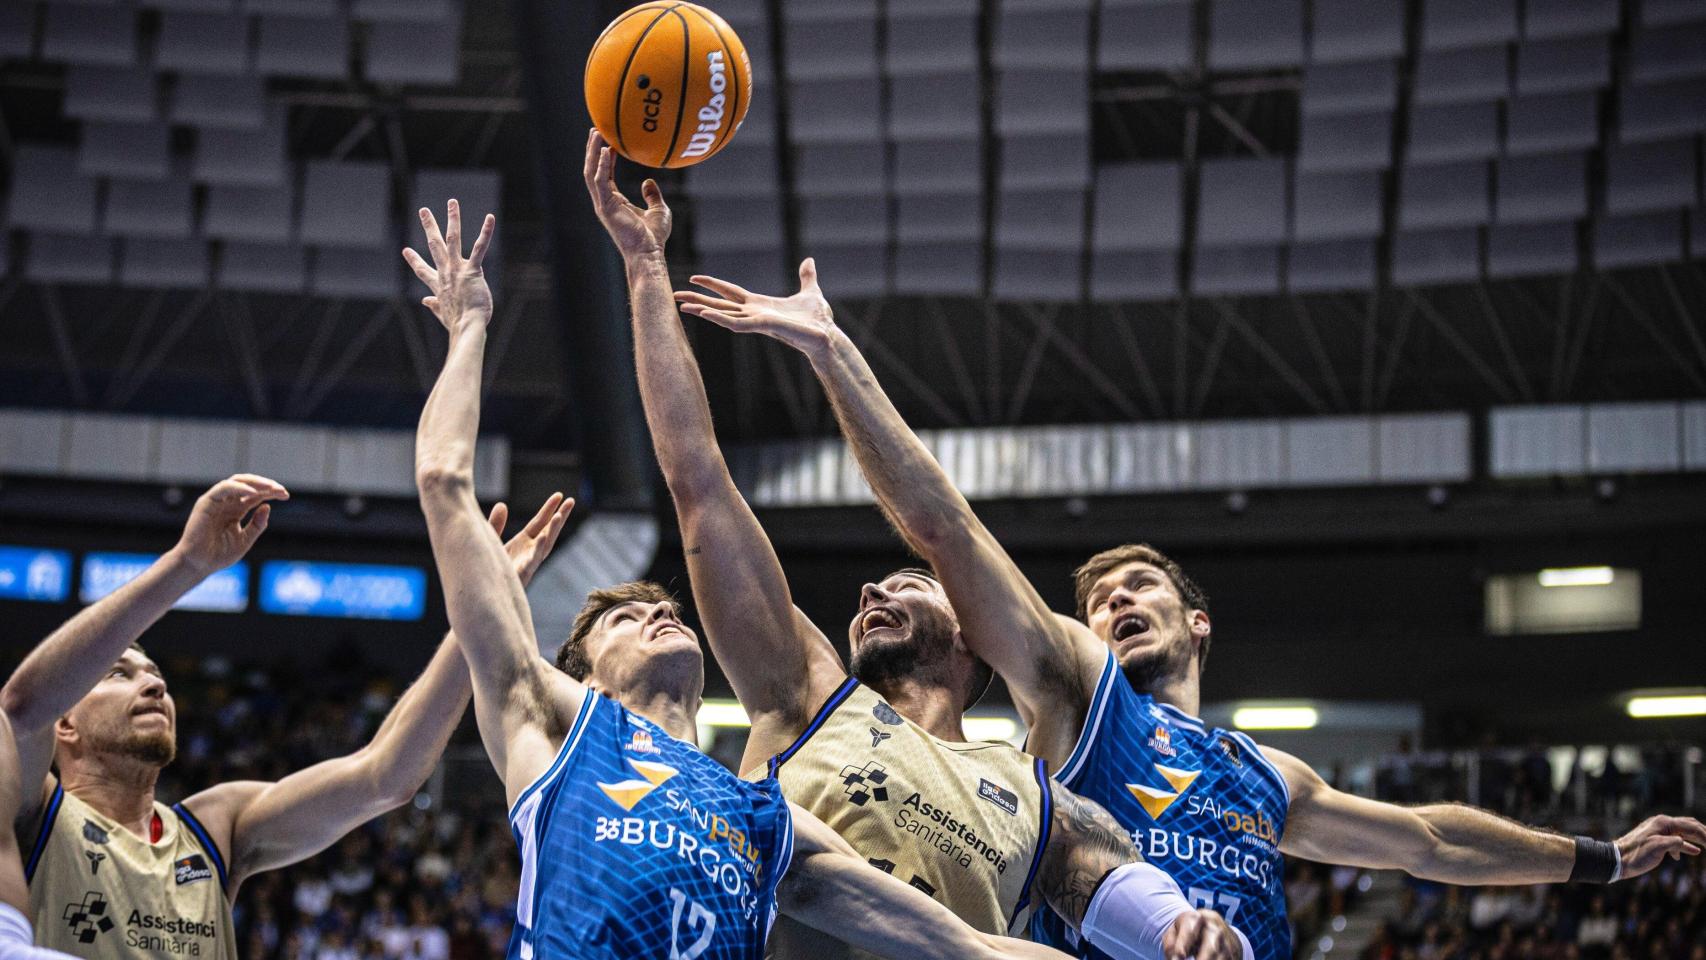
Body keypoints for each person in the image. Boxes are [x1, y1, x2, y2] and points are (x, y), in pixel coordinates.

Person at [671, 258, 1706, 959]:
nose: (1111, 602)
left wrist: (1600, 858)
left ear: (1196, 621)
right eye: (1095, 598)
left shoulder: (1263, 774)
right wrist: (835, 356)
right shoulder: (1079, 696)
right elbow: (946, 531)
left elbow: (1429, 842)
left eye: (1138, 587)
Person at [403, 194, 1227, 960]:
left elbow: (1095, 888)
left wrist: (1178, 929)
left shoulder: (1029, 788)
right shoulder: (805, 693)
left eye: (909, 584)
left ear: (971, 636)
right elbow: (698, 479)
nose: (872, 592)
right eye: (875, 590)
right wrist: (646, 268)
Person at [3, 473, 573, 959]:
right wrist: (186, 564)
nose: (154, 683)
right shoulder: (30, 810)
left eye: (155, 673)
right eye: (117, 673)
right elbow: (22, 709)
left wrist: (482, 613)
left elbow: (385, 775)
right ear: (65, 724)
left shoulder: (215, 826)